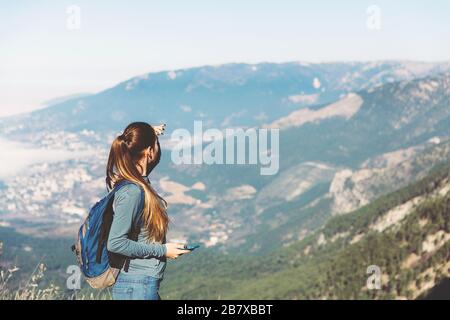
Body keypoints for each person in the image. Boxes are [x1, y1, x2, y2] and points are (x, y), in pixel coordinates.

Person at [105, 122, 190, 300]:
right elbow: (116, 243)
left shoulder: (136, 183)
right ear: (149, 151)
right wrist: (163, 251)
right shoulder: (132, 191)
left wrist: (149, 134)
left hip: (140, 285)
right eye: (156, 145)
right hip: (136, 286)